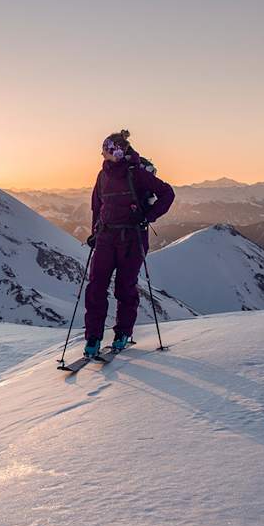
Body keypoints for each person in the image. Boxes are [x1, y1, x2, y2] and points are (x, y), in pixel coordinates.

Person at [83, 130, 175, 357]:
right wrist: (95, 231)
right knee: (96, 287)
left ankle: (121, 334)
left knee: (123, 288)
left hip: (132, 239)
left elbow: (167, 193)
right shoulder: (102, 175)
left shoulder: (137, 174)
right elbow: (98, 206)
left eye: (105, 150)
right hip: (107, 237)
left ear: (115, 151)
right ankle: (93, 338)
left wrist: (147, 216)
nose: (102, 154)